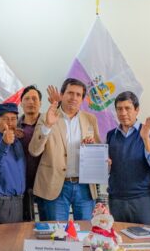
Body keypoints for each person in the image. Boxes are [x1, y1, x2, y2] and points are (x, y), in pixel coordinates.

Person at [28, 79, 101, 221]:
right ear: (62, 95)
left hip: (84, 187)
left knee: (86, 231)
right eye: (70, 93)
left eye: (78, 95)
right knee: (56, 232)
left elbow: (97, 149)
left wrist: (92, 149)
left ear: (82, 99)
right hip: (55, 186)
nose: (74, 98)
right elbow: (34, 150)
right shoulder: (47, 116)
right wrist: (47, 126)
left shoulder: (90, 119)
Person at [106, 91, 150, 225]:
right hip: (116, 199)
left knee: (144, 237)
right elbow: (109, 169)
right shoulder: (110, 135)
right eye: (119, 109)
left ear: (137, 110)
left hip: (142, 199)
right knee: (118, 237)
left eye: (127, 108)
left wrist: (146, 139)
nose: (123, 113)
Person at [0, 102, 26, 224]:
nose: (10, 123)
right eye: (5, 119)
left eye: (13, 119)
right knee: (2, 236)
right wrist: (4, 143)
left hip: (19, 201)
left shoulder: (17, 140)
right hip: (2, 202)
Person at [17, 85, 43, 220]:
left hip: (45, 183)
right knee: (23, 225)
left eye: (34, 98)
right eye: (26, 99)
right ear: (21, 103)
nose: (30, 102)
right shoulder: (14, 126)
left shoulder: (49, 125)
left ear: (40, 103)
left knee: (48, 223)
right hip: (21, 184)